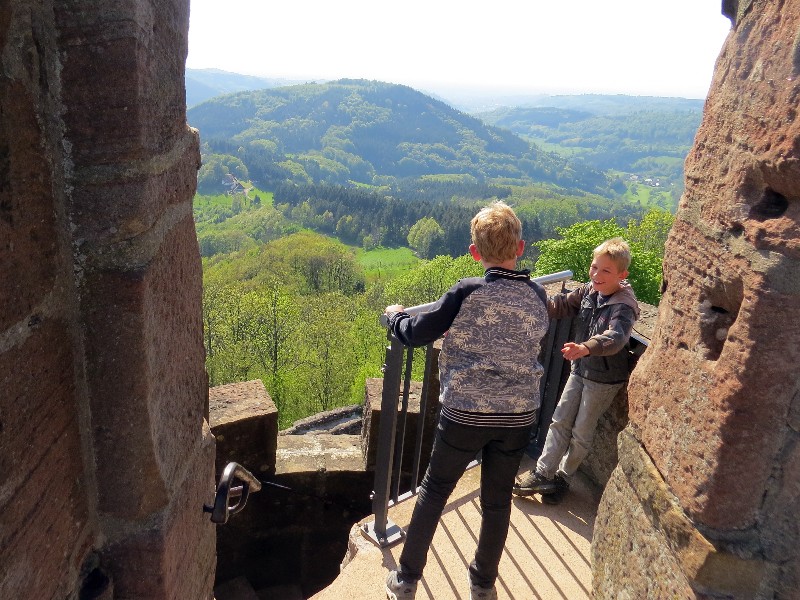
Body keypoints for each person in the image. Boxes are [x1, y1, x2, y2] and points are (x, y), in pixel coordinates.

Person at [382, 201, 549, 600]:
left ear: (475, 253)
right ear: (520, 247)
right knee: (497, 503)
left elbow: (417, 333)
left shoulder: (467, 291)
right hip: (518, 414)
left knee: (434, 491)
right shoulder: (538, 294)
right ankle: (483, 585)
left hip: (464, 413)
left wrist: (394, 317)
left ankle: (406, 581)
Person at [513, 237, 640, 504]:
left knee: (582, 431)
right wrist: (526, 300)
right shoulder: (589, 291)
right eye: (595, 267)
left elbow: (616, 337)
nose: (597, 274)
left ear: (622, 275)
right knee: (560, 420)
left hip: (604, 379)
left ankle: (562, 478)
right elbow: (560, 305)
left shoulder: (623, 306)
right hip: (580, 368)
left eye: (606, 271)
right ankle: (543, 473)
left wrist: (586, 347)